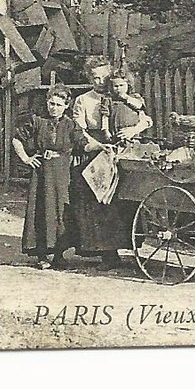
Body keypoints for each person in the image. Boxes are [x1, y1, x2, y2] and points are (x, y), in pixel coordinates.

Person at [70, 66, 153, 267]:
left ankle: (129, 245)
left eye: (103, 77)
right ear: (89, 78)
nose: (100, 81)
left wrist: (134, 129)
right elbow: (78, 130)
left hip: (124, 147)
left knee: (126, 197)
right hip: (96, 149)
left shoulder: (123, 96)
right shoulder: (84, 99)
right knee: (101, 202)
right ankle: (107, 253)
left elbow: (146, 119)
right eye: (95, 77)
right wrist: (99, 144)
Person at [12, 84, 101, 269]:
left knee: (61, 212)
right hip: (42, 176)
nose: (54, 108)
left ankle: (59, 254)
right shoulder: (37, 120)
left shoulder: (70, 125)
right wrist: (26, 159)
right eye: (51, 103)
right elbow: (16, 139)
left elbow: (84, 145)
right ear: (47, 102)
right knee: (41, 210)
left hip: (62, 175)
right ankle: (42, 255)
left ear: (66, 106)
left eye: (59, 105)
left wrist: (102, 146)